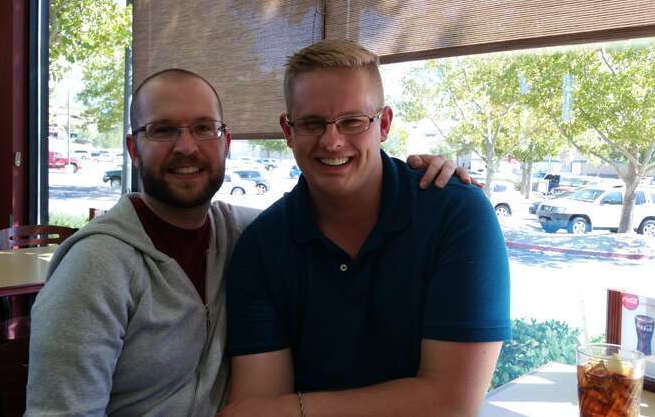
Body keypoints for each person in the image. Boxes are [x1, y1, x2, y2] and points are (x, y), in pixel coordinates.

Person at [26, 68, 474, 416]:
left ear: (226, 142)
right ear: (132, 147)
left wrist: (426, 176)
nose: (186, 147)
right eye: (162, 130)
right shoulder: (95, 268)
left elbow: (328, 209)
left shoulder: (243, 234)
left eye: (204, 129)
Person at [223, 40, 511, 417]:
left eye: (352, 121)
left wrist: (296, 409)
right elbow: (257, 410)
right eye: (311, 123)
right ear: (288, 130)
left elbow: (451, 403)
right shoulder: (261, 247)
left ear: (384, 124)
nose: (332, 140)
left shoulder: (457, 214)